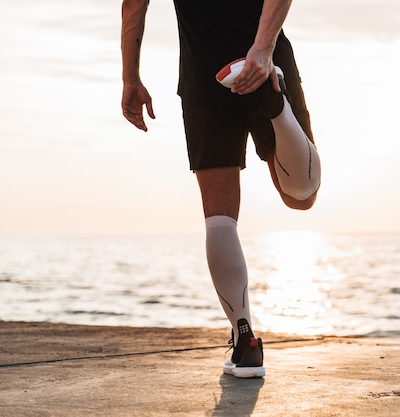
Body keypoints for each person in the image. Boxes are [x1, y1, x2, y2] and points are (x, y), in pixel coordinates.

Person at [120, 0, 321, 379]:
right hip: (264, 60)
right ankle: (276, 109)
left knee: (219, 215)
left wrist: (131, 78)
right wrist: (262, 50)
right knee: (300, 196)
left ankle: (245, 342)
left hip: (204, 74)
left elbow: (133, 6)